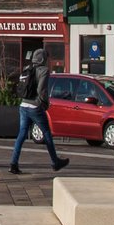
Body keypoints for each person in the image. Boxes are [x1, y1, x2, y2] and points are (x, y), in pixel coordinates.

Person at [9, 47, 70, 175]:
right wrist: (44, 104)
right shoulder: (44, 71)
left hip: (23, 105)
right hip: (35, 106)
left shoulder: (26, 69)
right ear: (43, 59)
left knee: (22, 134)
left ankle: (13, 163)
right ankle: (55, 162)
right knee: (47, 133)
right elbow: (42, 90)